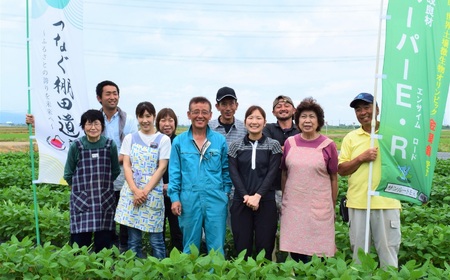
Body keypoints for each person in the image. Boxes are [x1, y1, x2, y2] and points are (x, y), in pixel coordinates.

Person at [338, 92, 401, 268]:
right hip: (358, 203)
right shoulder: (351, 138)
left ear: (377, 109)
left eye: (367, 107)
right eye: (358, 109)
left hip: (387, 202)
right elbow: (341, 170)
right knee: (360, 256)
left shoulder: (393, 135)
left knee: (388, 253)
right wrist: (361, 158)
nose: (363, 112)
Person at [168, 96, 232, 255]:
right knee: (190, 246)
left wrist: (225, 193)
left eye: (204, 112)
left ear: (210, 115)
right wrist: (175, 197)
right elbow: (174, 172)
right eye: (196, 112)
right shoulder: (179, 141)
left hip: (215, 197)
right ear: (189, 114)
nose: (200, 116)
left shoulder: (219, 140)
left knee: (216, 247)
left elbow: (226, 170)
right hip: (189, 198)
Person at [279, 97, 338, 263]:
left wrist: (331, 206)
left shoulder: (328, 145)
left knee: (318, 254)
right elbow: (284, 173)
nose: (307, 120)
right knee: (296, 252)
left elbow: (334, 178)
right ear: (297, 121)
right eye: (303, 117)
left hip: (319, 207)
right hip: (294, 207)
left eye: (312, 116)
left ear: (319, 121)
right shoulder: (290, 143)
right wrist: (285, 199)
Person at [114, 102, 170, 259]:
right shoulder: (130, 138)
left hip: (152, 192)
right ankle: (136, 271)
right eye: (141, 116)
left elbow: (162, 167)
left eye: (148, 116)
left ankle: (160, 272)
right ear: (137, 117)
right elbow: (126, 165)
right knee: (134, 240)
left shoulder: (163, 139)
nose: (145, 120)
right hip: (132, 191)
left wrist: (144, 192)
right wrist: (135, 190)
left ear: (153, 117)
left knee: (156, 239)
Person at [228, 105, 282, 260]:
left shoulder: (273, 145)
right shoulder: (235, 146)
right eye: (250, 118)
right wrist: (246, 196)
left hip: (266, 201)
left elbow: (272, 174)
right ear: (245, 122)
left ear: (265, 122)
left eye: (258, 118)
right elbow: (234, 173)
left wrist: (258, 196)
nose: (254, 121)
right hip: (241, 201)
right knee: (242, 246)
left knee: (264, 246)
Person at [63, 109, 120, 253]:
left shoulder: (109, 145)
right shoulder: (77, 146)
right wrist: (79, 190)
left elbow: (115, 171)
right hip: (82, 200)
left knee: (104, 241)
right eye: (89, 124)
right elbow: (68, 173)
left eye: (96, 123)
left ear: (102, 126)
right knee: (80, 242)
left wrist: (102, 185)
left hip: (104, 198)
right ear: (83, 127)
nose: (93, 128)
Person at [95, 80, 139, 252]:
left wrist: (113, 160)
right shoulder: (94, 119)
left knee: (126, 213)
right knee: (105, 213)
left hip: (124, 174)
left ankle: (125, 248)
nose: (113, 97)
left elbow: (131, 147)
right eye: (108, 94)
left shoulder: (128, 120)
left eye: (115, 93)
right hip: (101, 175)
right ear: (99, 98)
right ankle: (107, 249)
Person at [262, 95, 299, 261]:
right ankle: (271, 261)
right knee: (269, 228)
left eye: (286, 105)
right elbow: (268, 148)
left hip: (295, 188)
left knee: (293, 227)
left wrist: (281, 149)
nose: (283, 108)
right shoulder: (268, 129)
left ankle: (292, 263)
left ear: (294, 110)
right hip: (271, 187)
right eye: (279, 106)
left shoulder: (300, 130)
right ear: (273, 111)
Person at [155, 108, 183, 253]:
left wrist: (172, 185)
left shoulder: (180, 142)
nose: (167, 124)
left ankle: (177, 258)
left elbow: (186, 170)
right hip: (156, 192)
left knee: (177, 229)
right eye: (163, 120)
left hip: (176, 194)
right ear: (157, 122)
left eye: (170, 120)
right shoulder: (153, 142)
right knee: (157, 229)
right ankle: (159, 258)